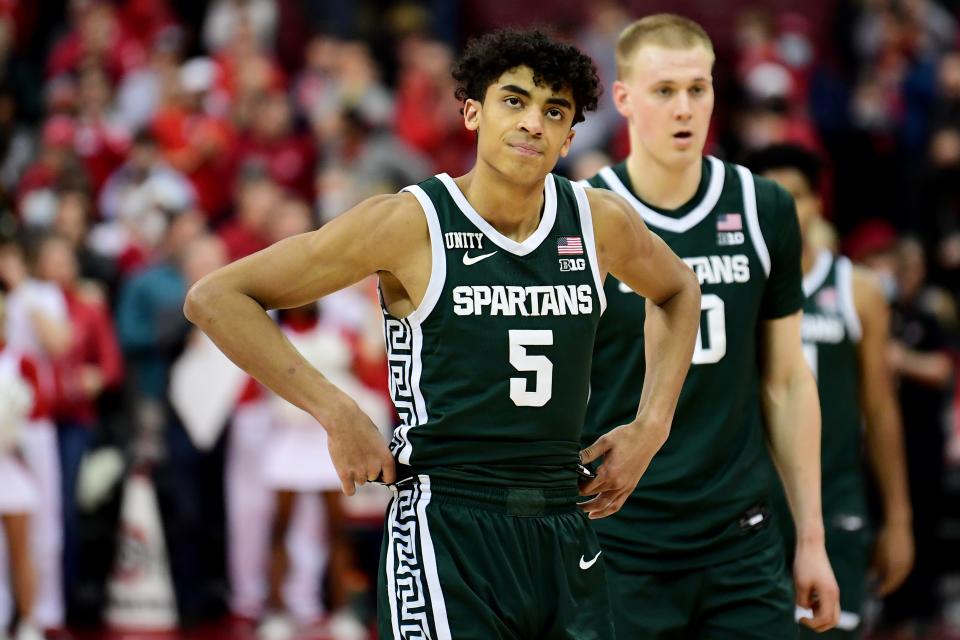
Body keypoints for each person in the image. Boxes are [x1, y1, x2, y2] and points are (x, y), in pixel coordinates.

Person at [185, 28, 701, 640]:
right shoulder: (409, 223)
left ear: (568, 138)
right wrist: (337, 409)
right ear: (472, 113)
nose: (534, 122)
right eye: (515, 100)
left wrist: (651, 426)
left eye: (554, 111)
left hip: (563, 519)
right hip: (446, 524)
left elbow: (678, 292)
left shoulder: (597, 221)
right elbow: (216, 297)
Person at [580, 14, 839, 638]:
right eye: (664, 90)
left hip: (740, 541)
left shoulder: (764, 208)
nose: (684, 108)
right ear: (624, 99)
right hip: (621, 543)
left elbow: (786, 381)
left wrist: (811, 537)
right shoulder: (582, 215)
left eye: (698, 88)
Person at [749, 143, 914, 638]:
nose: (782, 208)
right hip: (749, 503)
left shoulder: (855, 289)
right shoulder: (734, 287)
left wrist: (899, 519)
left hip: (836, 494)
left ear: (817, 204)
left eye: (795, 196)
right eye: (768, 196)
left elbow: (882, 412)